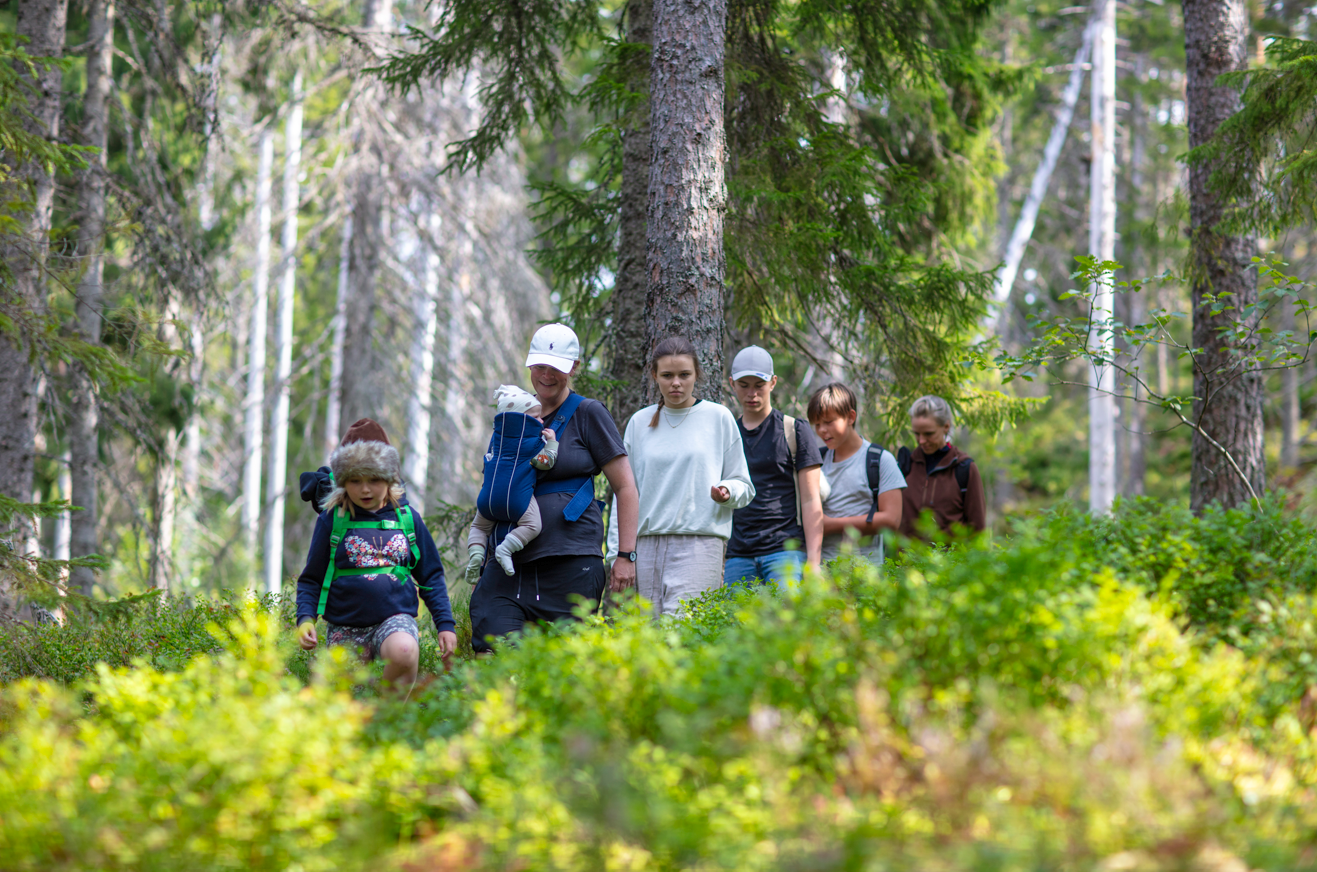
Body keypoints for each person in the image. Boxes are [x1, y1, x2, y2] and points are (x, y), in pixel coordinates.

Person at [468, 324, 640, 652]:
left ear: (574, 367)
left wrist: (626, 555)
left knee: (566, 667)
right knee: (494, 656)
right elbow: (494, 484)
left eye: (556, 368)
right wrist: (484, 556)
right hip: (508, 566)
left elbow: (626, 487)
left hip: (571, 564)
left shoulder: (589, 413)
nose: (546, 375)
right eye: (540, 366)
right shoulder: (512, 413)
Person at [295, 418, 457, 691]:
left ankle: (390, 720)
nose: (365, 489)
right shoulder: (332, 519)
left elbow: (431, 575)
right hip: (345, 626)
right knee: (349, 704)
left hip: (395, 620)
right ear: (343, 481)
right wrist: (305, 619)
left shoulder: (407, 518)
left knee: (404, 651)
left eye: (374, 479)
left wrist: (446, 624)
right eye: (355, 481)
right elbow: (311, 578)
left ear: (390, 478)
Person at [607, 336, 755, 617]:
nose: (676, 382)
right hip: (645, 546)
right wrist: (618, 555)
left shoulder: (718, 417)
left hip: (699, 544)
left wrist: (727, 491)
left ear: (697, 374)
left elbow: (744, 485)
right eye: (667, 375)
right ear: (655, 376)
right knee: (648, 642)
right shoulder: (639, 423)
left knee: (685, 634)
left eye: (684, 375)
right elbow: (625, 492)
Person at [724, 345, 824, 588]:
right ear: (731, 384)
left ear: (773, 382)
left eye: (759, 385)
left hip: (786, 552)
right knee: (736, 625)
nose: (752, 393)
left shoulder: (794, 430)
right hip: (737, 556)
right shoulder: (726, 435)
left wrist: (814, 561)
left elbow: (811, 500)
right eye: (744, 385)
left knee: (786, 624)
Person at [464, 385, 560, 580]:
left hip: (488, 499)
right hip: (516, 500)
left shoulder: (497, 440)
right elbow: (545, 462)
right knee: (533, 525)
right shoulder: (533, 443)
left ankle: (475, 556)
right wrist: (552, 443)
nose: (541, 421)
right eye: (536, 417)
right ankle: (506, 550)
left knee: (479, 528)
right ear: (523, 420)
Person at [807, 383, 906, 565]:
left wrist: (830, 525)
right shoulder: (815, 462)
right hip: (821, 579)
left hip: (866, 576)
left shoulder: (880, 460)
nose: (822, 430)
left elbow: (892, 520)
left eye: (829, 422)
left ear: (851, 417)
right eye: (817, 424)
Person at [898, 395, 987, 537]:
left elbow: (978, 530)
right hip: (907, 558)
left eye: (929, 434)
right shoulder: (907, 466)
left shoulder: (964, 469)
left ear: (946, 426)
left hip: (951, 559)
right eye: (916, 433)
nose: (921, 441)